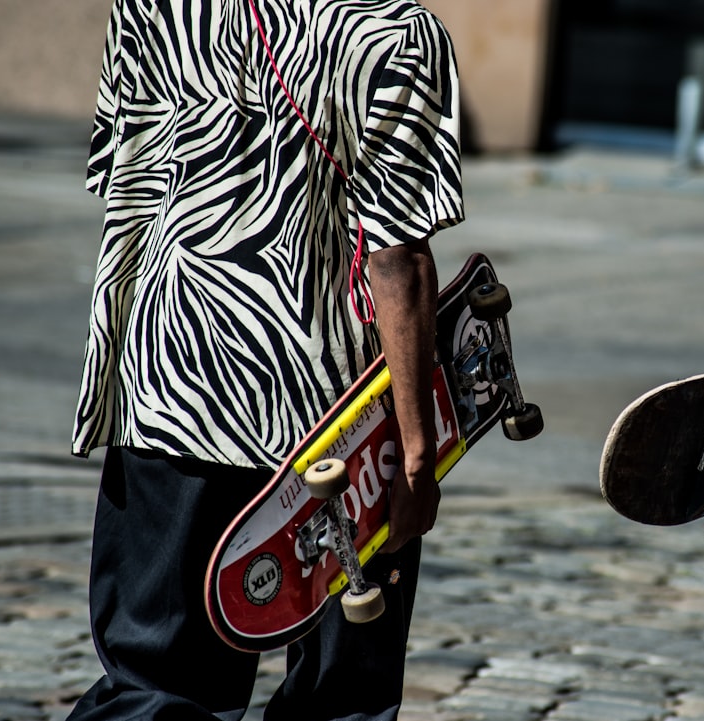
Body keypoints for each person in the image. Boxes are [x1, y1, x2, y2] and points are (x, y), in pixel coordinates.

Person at [68, 1, 462, 719]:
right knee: (342, 698)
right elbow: (397, 257)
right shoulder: (394, 33)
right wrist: (414, 453)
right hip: (335, 426)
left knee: (156, 683)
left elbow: (120, 175)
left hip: (170, 381)